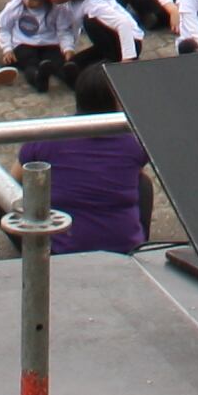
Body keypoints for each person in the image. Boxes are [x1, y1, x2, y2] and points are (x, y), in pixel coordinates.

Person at [39, 62, 149, 254]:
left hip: (64, 248)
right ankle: (140, 243)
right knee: (143, 183)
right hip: (123, 247)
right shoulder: (133, 142)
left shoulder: (49, 135)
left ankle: (35, 249)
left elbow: (16, 177)